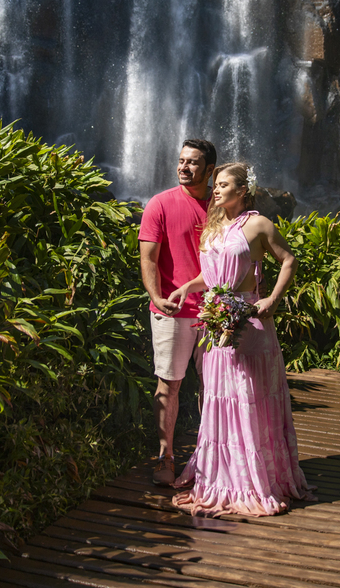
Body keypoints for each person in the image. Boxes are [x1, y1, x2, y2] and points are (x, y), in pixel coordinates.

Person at [164, 162, 312, 516]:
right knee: (219, 398)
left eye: (223, 184)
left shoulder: (258, 224)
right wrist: (186, 287)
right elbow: (211, 275)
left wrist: (272, 300)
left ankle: (252, 478)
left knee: (249, 399)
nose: (215, 190)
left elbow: (288, 260)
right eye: (215, 185)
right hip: (216, 325)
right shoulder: (216, 226)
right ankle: (221, 474)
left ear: (242, 190)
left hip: (248, 324)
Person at [138, 138, 217, 486]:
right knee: (168, 384)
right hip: (173, 310)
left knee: (215, 387)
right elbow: (148, 258)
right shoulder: (160, 204)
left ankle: (211, 456)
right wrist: (157, 295)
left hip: (217, 312)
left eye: (193, 162)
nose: (184, 167)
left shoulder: (223, 204)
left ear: (210, 170)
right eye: (181, 161)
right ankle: (164, 455)